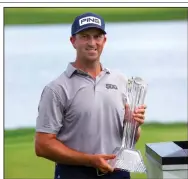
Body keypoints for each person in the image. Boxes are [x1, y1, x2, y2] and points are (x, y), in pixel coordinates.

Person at [35, 12, 147, 179]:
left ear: (104, 41)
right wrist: (90, 160)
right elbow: (43, 145)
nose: (92, 43)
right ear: (73, 41)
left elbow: (130, 138)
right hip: (75, 174)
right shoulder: (57, 88)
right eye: (85, 36)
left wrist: (133, 126)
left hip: (118, 172)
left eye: (97, 37)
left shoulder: (120, 80)